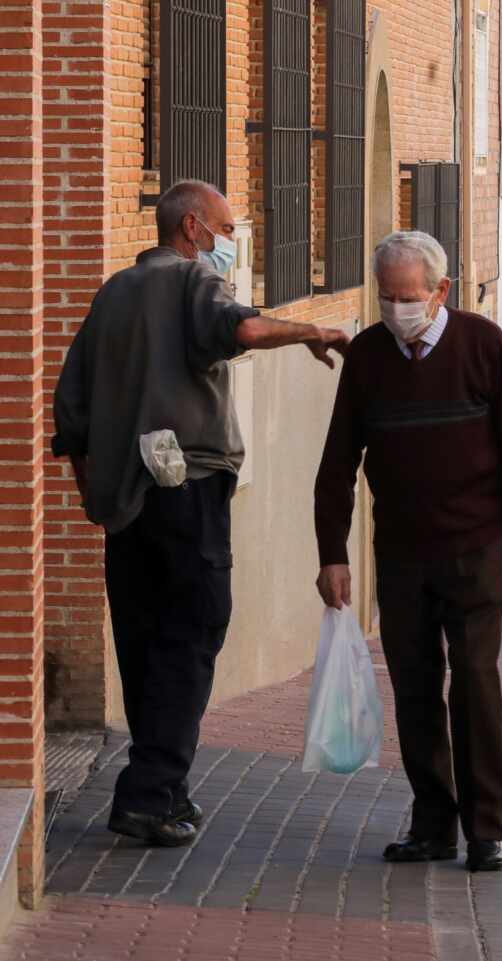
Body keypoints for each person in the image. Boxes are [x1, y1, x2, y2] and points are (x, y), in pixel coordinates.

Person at [51, 181, 350, 848]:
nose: (230, 240)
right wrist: (309, 330)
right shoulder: (191, 282)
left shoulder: (112, 295)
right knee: (192, 631)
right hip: (188, 491)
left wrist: (96, 495)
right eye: (225, 227)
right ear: (191, 228)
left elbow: (68, 414)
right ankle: (150, 792)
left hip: (125, 501)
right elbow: (240, 326)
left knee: (145, 637)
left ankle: (162, 786)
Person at [313, 231, 502, 875]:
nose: (395, 309)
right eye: (386, 297)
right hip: (403, 552)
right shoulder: (367, 359)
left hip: (477, 548)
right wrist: (334, 553)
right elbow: (337, 462)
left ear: (440, 291)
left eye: (408, 297)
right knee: (414, 687)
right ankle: (433, 822)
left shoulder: (482, 345)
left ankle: (485, 828)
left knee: (474, 683)